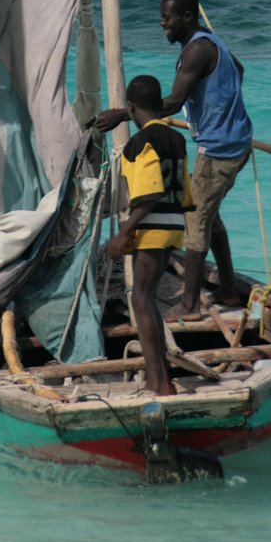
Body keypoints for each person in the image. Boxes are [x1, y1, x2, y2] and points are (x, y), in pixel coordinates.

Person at [98, 0, 252, 317]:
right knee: (209, 215)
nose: (162, 24)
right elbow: (237, 69)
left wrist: (124, 113)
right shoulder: (209, 42)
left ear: (186, 17)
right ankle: (226, 287)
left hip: (219, 149)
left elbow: (173, 101)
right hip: (235, 141)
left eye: (167, 19)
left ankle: (189, 306)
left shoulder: (197, 51)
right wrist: (221, 103)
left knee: (194, 221)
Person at [107, 75, 194, 396]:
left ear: (130, 108)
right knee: (148, 300)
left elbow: (149, 192)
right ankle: (161, 379)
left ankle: (160, 382)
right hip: (173, 225)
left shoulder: (138, 143)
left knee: (140, 300)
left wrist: (123, 233)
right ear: (159, 104)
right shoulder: (177, 139)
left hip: (151, 225)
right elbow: (185, 192)